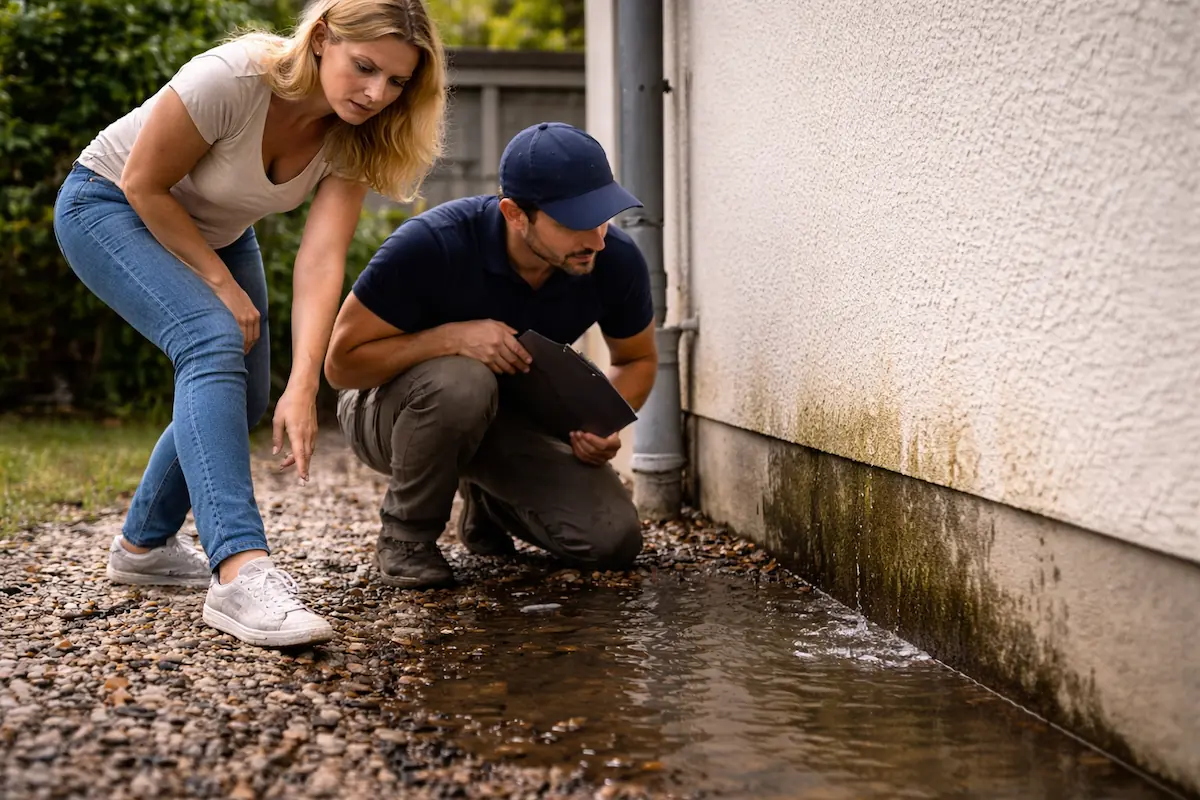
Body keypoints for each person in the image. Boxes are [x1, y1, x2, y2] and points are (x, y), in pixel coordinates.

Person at [52, 0, 447, 647]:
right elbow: (144, 183)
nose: (377, 93)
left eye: (398, 81)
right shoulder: (233, 78)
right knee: (210, 339)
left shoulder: (356, 131)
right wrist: (218, 284)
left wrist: (302, 384)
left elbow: (320, 261)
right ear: (322, 37)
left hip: (215, 230)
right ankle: (240, 570)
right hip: (109, 203)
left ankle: (143, 547)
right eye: (365, 67)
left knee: (253, 392)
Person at [324, 122, 659, 588]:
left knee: (612, 541)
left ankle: (488, 504)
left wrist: (603, 422)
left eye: (602, 217)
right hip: (388, 410)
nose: (597, 240)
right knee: (463, 381)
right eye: (575, 223)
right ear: (515, 214)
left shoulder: (612, 258)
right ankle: (406, 539)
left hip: (506, 417)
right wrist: (451, 339)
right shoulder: (432, 245)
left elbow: (636, 359)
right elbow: (342, 364)